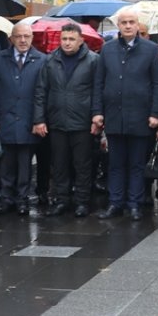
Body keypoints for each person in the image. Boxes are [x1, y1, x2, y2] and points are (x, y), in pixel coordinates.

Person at [94, 7, 158, 220]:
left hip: (141, 117)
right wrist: (97, 112)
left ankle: (134, 203)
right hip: (114, 116)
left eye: (131, 22)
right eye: (124, 22)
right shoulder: (108, 49)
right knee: (115, 163)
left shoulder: (151, 50)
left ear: (137, 25)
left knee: (136, 164)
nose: (127, 26)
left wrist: (156, 113)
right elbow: (99, 82)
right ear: (118, 25)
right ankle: (115, 203)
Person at [34, 23, 101, 217]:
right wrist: (39, 119)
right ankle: (61, 200)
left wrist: (96, 118)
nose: (67, 43)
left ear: (81, 41)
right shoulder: (50, 61)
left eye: (72, 39)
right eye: (64, 39)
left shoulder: (93, 61)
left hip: (82, 122)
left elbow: (98, 91)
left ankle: (82, 202)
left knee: (82, 165)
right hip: (57, 122)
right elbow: (41, 91)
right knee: (59, 164)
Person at [0, 23, 46, 215]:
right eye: (18, 36)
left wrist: (39, 120)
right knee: (6, 163)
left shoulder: (41, 60)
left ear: (32, 38)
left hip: (29, 121)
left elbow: (42, 93)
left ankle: (22, 200)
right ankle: (6, 199)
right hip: (5, 120)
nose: (22, 40)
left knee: (25, 164)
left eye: (26, 36)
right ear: (11, 38)